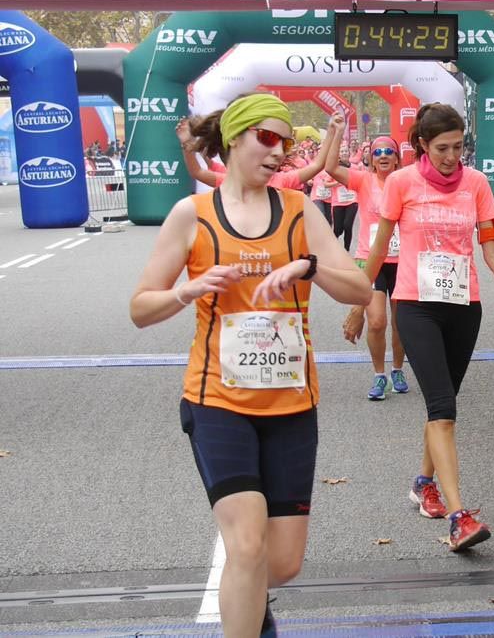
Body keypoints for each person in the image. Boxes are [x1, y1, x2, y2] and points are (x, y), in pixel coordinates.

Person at [131, 95, 372, 637]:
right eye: (267, 138)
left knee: (280, 563)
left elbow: (361, 288)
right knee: (244, 546)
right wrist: (186, 290)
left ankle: (247, 605)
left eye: (284, 142)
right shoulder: (190, 215)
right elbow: (140, 306)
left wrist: (307, 266)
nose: (278, 152)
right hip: (217, 401)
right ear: (235, 138)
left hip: (291, 404)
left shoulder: (298, 210)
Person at [363, 103, 494, 551]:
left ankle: (424, 481)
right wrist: (359, 301)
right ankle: (459, 517)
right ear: (422, 145)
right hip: (416, 306)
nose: (451, 156)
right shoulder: (402, 182)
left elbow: (493, 247)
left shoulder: (476, 183)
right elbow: (381, 244)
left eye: (459, 146)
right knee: (443, 409)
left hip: (464, 306)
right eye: (442, 148)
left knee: (443, 405)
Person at [323, 118, 412, 400]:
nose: (383, 156)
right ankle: (379, 375)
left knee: (401, 323)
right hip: (369, 260)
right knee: (376, 322)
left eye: (389, 152)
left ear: (397, 159)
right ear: (371, 159)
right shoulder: (362, 180)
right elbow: (329, 168)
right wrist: (336, 133)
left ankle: (398, 368)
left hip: (402, 262)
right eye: (378, 152)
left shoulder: (407, 182)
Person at [176, 115, 329, 194]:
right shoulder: (229, 180)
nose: (277, 153)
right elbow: (197, 171)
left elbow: (317, 165)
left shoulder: (283, 180)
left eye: (285, 145)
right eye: (266, 140)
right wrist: (187, 144)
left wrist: (334, 132)